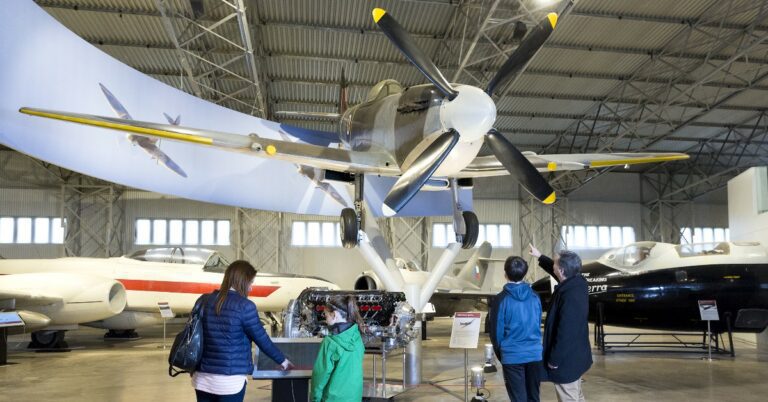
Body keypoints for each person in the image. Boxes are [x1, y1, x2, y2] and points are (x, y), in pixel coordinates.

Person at [192, 260, 294, 402]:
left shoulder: (203, 300)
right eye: (250, 282)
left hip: (202, 379)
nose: (251, 288)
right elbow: (262, 340)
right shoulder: (245, 306)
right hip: (230, 382)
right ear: (242, 281)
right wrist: (283, 361)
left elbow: (193, 334)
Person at [529, 244, 592, 402]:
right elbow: (556, 271)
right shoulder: (577, 282)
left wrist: (554, 359)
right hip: (577, 355)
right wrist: (540, 256)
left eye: (555, 264)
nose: (553, 266)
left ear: (562, 270)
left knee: (568, 396)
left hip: (566, 360)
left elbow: (565, 332)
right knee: (577, 395)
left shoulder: (569, 296)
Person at [489, 256, 542, 402]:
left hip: (512, 356)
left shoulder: (500, 300)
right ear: (525, 274)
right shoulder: (535, 297)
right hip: (534, 354)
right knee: (534, 397)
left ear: (505, 274)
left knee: (518, 398)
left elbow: (496, 334)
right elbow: (537, 324)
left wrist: (503, 355)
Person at [310, 295, 365, 402]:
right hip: (354, 397)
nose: (326, 320)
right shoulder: (358, 338)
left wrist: (315, 398)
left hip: (333, 399)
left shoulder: (330, 343)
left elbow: (320, 376)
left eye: (326, 315)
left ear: (334, 315)